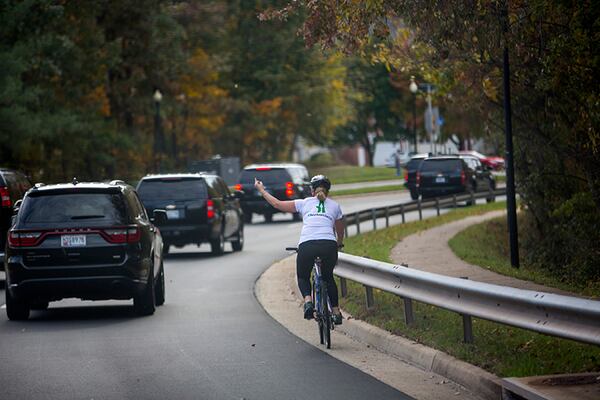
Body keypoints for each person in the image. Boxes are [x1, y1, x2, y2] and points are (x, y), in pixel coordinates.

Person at [254, 174, 345, 324]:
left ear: (312, 191)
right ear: (328, 191)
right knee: (328, 277)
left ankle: (308, 302)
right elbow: (340, 230)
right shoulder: (335, 206)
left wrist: (262, 190)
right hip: (328, 245)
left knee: (303, 276)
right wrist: (338, 243)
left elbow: (277, 204)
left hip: (307, 245)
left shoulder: (304, 203)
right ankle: (335, 312)